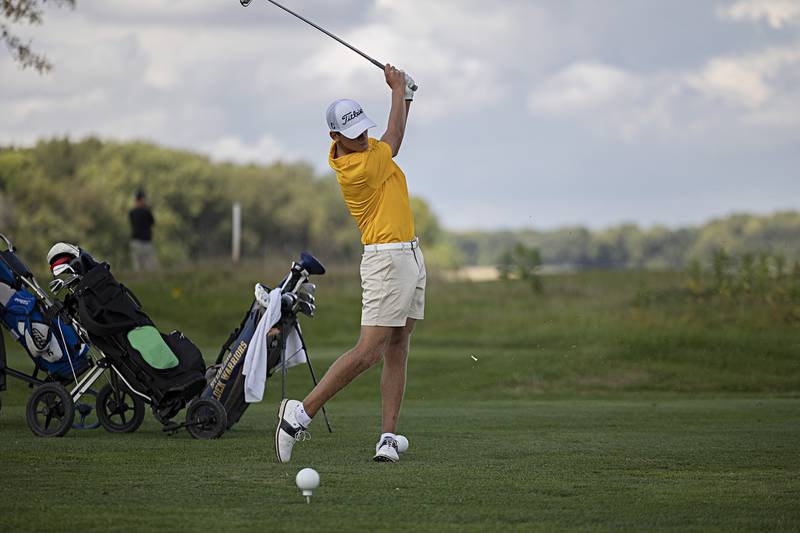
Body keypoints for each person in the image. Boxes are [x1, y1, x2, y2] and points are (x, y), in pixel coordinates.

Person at [275, 64, 424, 463]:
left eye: (363, 131)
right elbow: (394, 137)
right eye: (353, 135)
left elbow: (392, 138)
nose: (362, 139)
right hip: (386, 261)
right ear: (335, 137)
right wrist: (397, 90)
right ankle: (299, 414)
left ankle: (388, 437)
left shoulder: (368, 150)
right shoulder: (355, 167)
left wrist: (406, 97)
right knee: (368, 351)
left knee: (398, 344)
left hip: (408, 254)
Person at [128, 189, 157, 271]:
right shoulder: (147, 212)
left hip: (137, 240)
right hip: (145, 241)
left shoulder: (132, 212)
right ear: (142, 199)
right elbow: (152, 222)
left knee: (138, 265)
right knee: (149, 266)